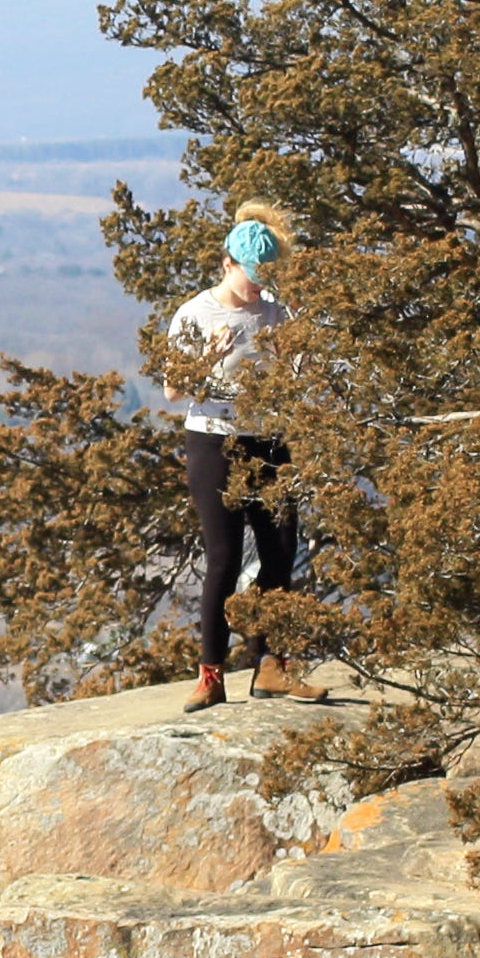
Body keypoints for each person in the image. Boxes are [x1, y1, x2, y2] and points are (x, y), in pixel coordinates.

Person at [169, 204, 325, 712]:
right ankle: (210, 675)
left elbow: (300, 371)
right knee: (224, 559)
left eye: (264, 279)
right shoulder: (195, 315)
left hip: (271, 440)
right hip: (214, 441)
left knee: (280, 550)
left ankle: (272, 665)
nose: (257, 288)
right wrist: (208, 358)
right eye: (250, 277)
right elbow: (173, 389)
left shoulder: (277, 312)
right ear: (227, 264)